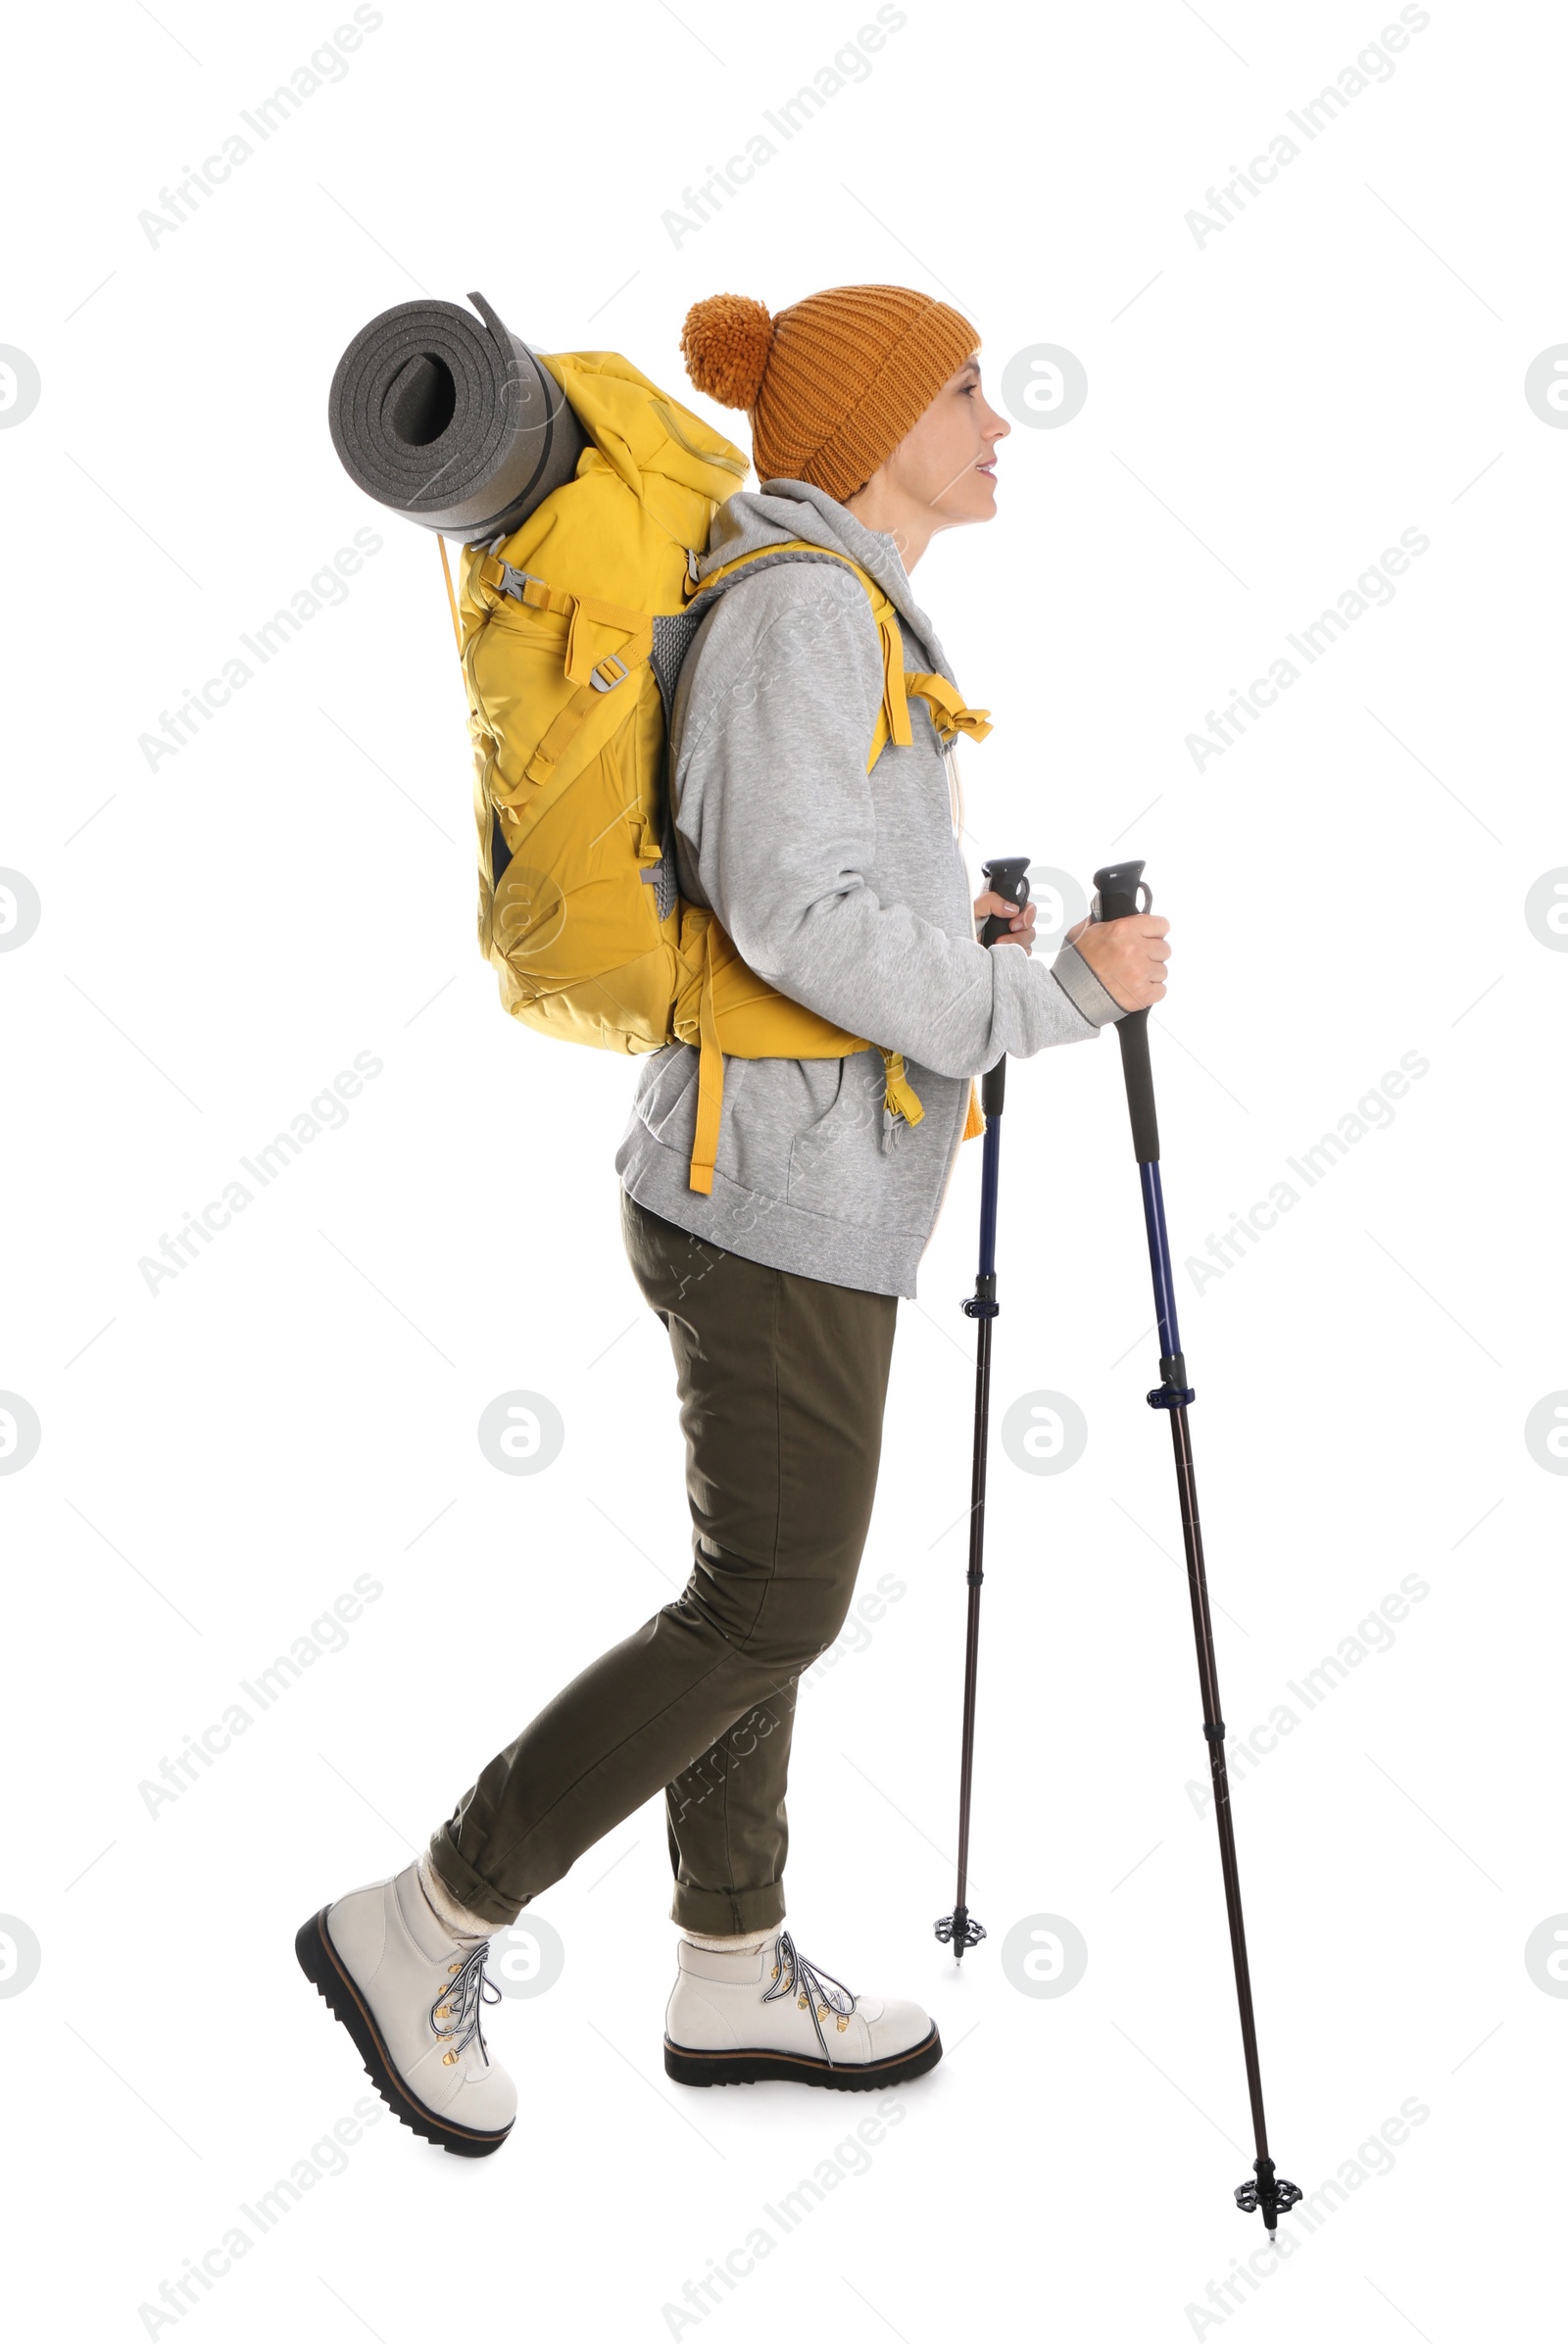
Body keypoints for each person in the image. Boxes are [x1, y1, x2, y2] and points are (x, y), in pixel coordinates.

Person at [297, 283, 1171, 2155]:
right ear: (868, 428)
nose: (997, 419)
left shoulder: (836, 599)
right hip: (765, 1193)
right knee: (769, 1602)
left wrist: (969, 948)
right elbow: (789, 919)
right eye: (962, 388)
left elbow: (827, 900)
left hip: (788, 1183)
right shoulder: (801, 607)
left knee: (754, 1603)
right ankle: (426, 1917)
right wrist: (1059, 996)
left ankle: (728, 1965)